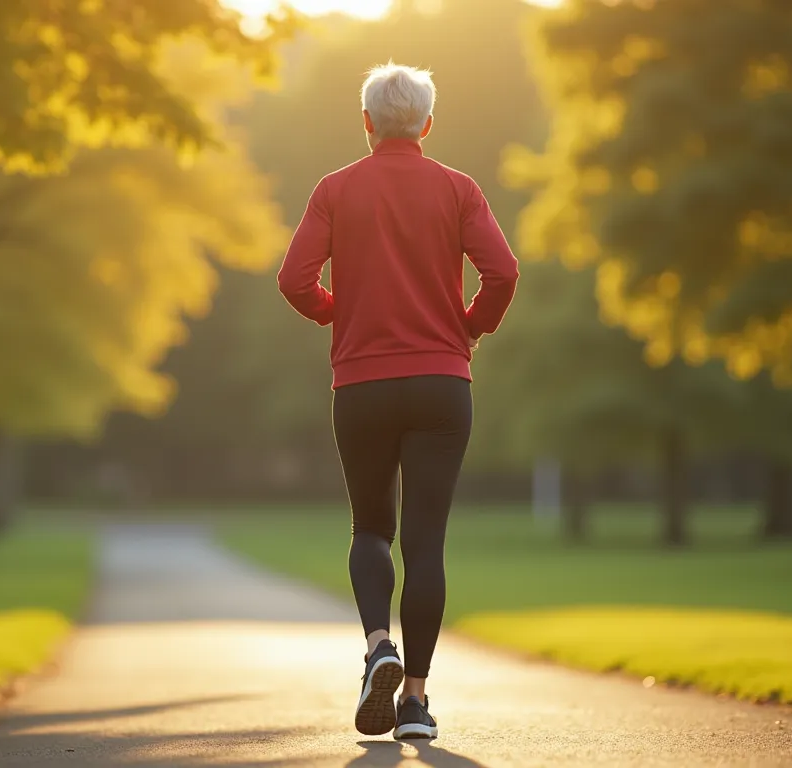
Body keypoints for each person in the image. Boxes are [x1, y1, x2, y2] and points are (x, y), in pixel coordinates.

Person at [276, 62, 519, 740]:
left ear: (366, 123)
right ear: (428, 124)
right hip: (443, 383)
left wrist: (337, 311)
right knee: (427, 541)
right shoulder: (458, 189)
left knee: (370, 529)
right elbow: (502, 271)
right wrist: (469, 327)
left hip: (362, 383)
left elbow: (294, 279)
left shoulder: (335, 190)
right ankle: (414, 701)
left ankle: (378, 643)